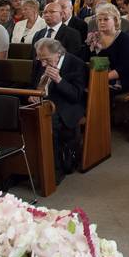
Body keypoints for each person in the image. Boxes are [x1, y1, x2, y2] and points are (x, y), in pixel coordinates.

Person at [30, 38, 86, 181]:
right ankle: (30, 166)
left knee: (49, 122)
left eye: (46, 60)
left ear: (58, 53)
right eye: (40, 59)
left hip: (67, 106)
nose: (42, 63)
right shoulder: (40, 62)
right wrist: (33, 96)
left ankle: (54, 170)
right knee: (22, 118)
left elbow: (76, 96)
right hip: (43, 103)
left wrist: (60, 80)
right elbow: (32, 85)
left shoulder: (75, 64)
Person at [86, 3, 129, 92]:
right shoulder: (94, 37)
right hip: (95, 78)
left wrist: (102, 78)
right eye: (99, 20)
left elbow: (126, 67)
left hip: (117, 81)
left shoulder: (123, 39)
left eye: (106, 19)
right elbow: (87, 61)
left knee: (95, 92)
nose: (102, 22)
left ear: (115, 20)